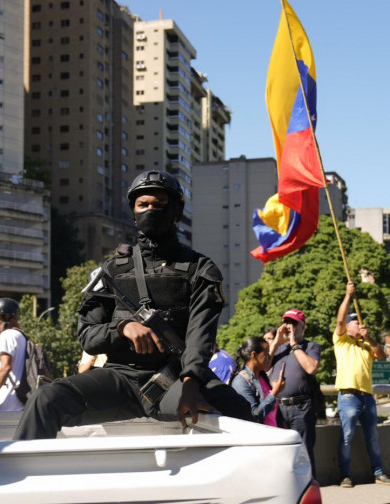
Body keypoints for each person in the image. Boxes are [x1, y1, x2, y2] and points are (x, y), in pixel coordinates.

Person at [13, 170, 252, 439]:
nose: (151, 209)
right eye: (143, 204)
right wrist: (122, 328)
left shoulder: (200, 269)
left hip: (177, 378)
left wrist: (191, 382)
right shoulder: (112, 270)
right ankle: (20, 476)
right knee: (46, 398)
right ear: (133, 211)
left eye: (159, 204)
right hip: (120, 379)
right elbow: (87, 336)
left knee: (240, 412)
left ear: (175, 210)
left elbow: (200, 336)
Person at [333, 281, 390, 487]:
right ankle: (344, 475)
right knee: (347, 437)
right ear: (349, 326)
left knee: (373, 437)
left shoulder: (366, 345)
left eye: (360, 323)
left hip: (367, 396)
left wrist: (368, 336)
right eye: (355, 322)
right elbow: (340, 319)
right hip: (348, 396)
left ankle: (378, 472)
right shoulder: (341, 341)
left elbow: (381, 354)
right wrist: (348, 296)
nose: (359, 325)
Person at [269, 308, 321, 476]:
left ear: (302, 326)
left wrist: (294, 345)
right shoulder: (277, 348)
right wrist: (277, 342)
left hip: (301, 407)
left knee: (304, 451)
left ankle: (308, 489)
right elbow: (263, 366)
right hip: (278, 408)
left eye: (293, 323)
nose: (289, 326)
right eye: (286, 322)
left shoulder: (310, 346)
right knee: (280, 453)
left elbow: (311, 368)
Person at [0, 298, 27, 412]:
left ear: (8, 318)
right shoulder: (22, 336)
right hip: (22, 404)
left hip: (7, 405)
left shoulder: (6, 335)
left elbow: (5, 367)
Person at [230, 337, 285, 426]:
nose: (269, 357)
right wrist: (274, 393)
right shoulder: (241, 382)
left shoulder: (262, 376)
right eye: (266, 354)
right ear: (254, 355)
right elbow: (254, 415)